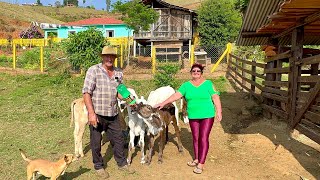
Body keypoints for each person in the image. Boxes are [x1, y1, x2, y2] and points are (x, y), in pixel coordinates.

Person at [154, 63, 222, 174]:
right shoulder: (186, 85)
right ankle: (196, 159)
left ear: (201, 73)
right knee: (195, 137)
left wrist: (219, 111)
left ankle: (201, 164)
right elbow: (176, 96)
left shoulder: (208, 84)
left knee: (203, 138)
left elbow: (215, 96)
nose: (196, 72)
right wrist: (163, 103)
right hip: (193, 115)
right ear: (191, 73)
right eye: (194, 71)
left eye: (198, 71)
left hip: (207, 115)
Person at [82, 45, 135, 179]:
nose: (109, 59)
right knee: (96, 141)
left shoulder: (118, 72)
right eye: (107, 56)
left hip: (113, 112)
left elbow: (120, 92)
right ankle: (99, 166)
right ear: (103, 57)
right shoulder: (93, 70)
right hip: (97, 112)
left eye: (112, 56)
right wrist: (91, 113)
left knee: (118, 138)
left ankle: (122, 163)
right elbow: (86, 92)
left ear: (114, 58)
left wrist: (131, 101)